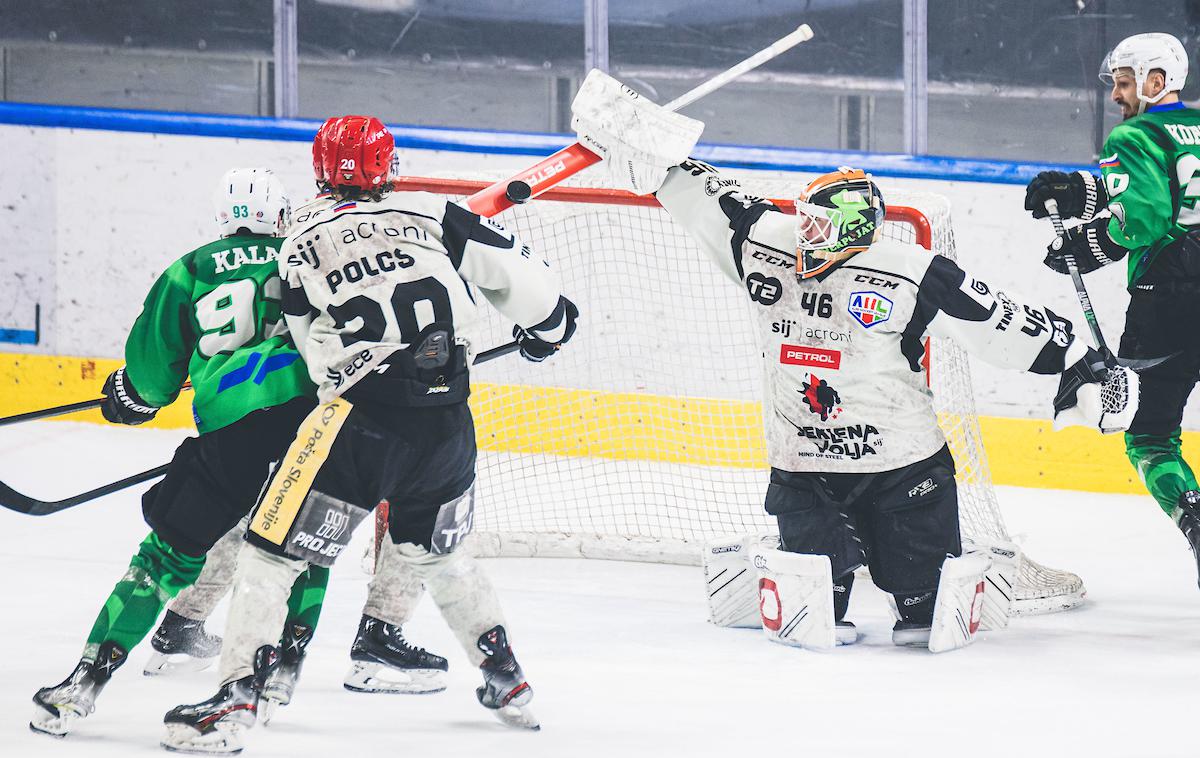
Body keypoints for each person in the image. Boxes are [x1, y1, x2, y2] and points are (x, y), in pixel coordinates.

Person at [570, 70, 1115, 649]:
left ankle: (915, 589)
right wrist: (636, 134)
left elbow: (1003, 322)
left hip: (902, 467)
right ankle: (826, 581)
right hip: (804, 468)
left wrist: (1082, 360)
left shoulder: (912, 271)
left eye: (820, 223)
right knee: (817, 616)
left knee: (923, 619)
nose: (804, 232)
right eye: (803, 217)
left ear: (855, 229)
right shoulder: (765, 241)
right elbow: (699, 190)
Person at [161, 114, 577, 753]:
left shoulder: (297, 239)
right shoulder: (441, 221)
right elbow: (548, 305)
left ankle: (237, 698)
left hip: (358, 424)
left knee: (270, 554)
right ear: (391, 169)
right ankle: (506, 678)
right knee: (437, 553)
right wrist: (544, 334)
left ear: (319, 169)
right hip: (448, 425)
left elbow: (304, 345)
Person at [30, 168, 322, 736]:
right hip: (306, 432)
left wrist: (130, 397)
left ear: (223, 218)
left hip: (227, 440)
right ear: (282, 214)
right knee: (305, 547)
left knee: (161, 562)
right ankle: (284, 668)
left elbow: (150, 382)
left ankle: (80, 687)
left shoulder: (192, 269)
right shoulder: (307, 256)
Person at [1022, 32, 1200, 581]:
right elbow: (1170, 191)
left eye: (1125, 83)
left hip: (1169, 304)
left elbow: (1146, 217)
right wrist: (1081, 190)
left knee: (1149, 437)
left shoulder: (1137, 132)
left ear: (1155, 81)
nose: (1117, 95)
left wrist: (1089, 244)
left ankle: (1195, 516)